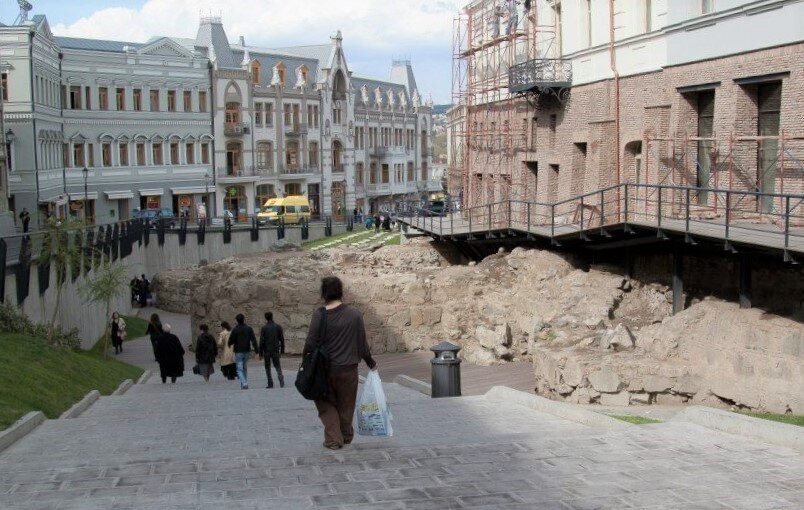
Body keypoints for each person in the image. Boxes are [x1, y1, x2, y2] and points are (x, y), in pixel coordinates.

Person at [304, 276, 377, 450]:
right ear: (341, 292)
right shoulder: (355, 314)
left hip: (325, 370)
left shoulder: (319, 315)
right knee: (346, 404)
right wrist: (371, 362)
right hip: (349, 370)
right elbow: (362, 344)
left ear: (323, 294)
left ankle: (333, 439)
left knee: (325, 403)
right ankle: (345, 436)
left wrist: (305, 364)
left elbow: (310, 343)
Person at [228, 313, 258, 389]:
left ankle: (244, 383)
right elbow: (253, 340)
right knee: (244, 368)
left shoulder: (235, 329)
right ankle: (244, 383)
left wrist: (229, 344)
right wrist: (257, 350)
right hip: (247, 350)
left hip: (238, 351)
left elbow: (231, 340)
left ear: (237, 320)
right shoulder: (249, 329)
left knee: (239, 369)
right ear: (244, 319)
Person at [258, 312, 285, 389]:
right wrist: (282, 350)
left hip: (267, 350)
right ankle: (281, 380)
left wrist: (260, 353)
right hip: (275, 349)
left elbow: (261, 341)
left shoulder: (264, 328)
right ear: (272, 317)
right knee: (277, 366)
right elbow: (282, 339)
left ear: (266, 318)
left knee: (267, 367)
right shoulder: (278, 327)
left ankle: (270, 383)